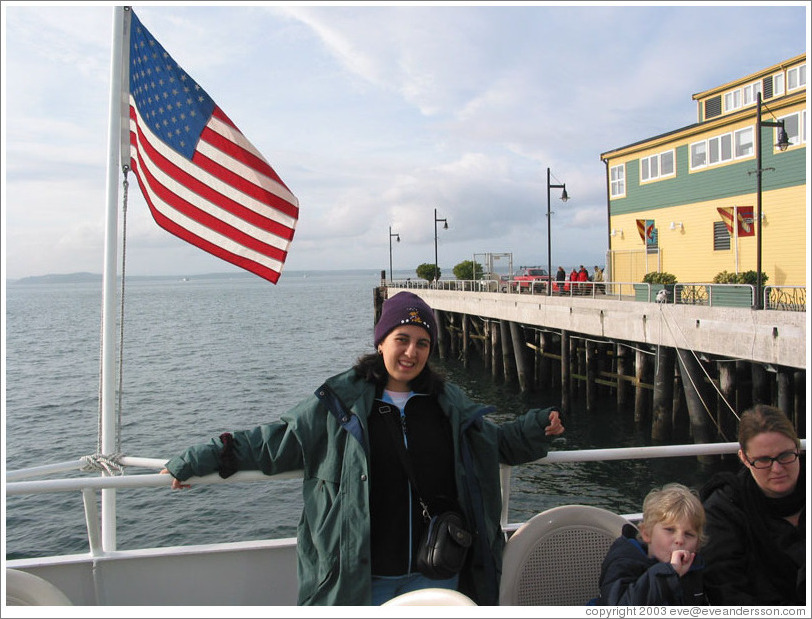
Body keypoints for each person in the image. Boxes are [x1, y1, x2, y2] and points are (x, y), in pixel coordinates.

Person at [161, 291, 565, 606]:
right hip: (361, 579)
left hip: (437, 569)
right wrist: (197, 460)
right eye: (402, 339)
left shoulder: (449, 406)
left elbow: (495, 445)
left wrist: (537, 428)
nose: (411, 352)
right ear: (381, 342)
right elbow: (269, 444)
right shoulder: (339, 407)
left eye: (422, 343)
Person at [699, 405, 805, 605]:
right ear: (744, 459)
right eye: (764, 460)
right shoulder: (724, 509)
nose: (777, 468)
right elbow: (726, 589)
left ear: (797, 448)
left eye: (785, 456)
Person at [596, 483, 708, 605]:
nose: (680, 540)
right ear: (647, 534)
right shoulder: (623, 562)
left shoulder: (697, 567)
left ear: (697, 544)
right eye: (670, 530)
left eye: (689, 534)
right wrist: (667, 575)